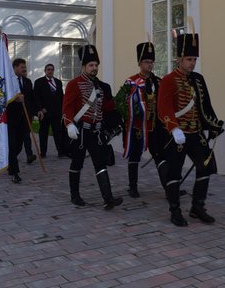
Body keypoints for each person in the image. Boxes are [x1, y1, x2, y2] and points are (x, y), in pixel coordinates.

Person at [158, 33, 224, 227]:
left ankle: (197, 207)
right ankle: (175, 210)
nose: (192, 63)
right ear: (179, 59)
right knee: (174, 173)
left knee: (207, 166)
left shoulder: (198, 79)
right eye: (188, 59)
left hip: (195, 133)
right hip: (177, 135)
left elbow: (205, 106)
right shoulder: (169, 80)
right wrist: (173, 128)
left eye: (194, 59)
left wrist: (213, 126)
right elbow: (164, 107)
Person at [62, 44, 123, 209]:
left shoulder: (100, 86)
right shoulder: (74, 84)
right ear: (83, 66)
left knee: (100, 163)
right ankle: (75, 196)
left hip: (95, 131)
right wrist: (69, 125)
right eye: (91, 65)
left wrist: (123, 103)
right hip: (81, 131)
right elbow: (67, 107)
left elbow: (106, 107)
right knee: (77, 163)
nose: (94, 68)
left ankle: (108, 198)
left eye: (96, 65)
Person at [116, 41, 168, 198]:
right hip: (138, 127)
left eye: (151, 62)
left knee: (161, 156)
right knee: (135, 155)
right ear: (140, 63)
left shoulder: (158, 82)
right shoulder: (131, 81)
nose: (150, 65)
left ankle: (169, 188)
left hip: (154, 127)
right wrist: (132, 112)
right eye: (146, 62)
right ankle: (133, 187)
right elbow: (120, 101)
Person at [6, 58, 40, 183]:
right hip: (11, 120)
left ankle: (10, 162)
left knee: (19, 146)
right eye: (21, 67)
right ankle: (15, 172)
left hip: (25, 119)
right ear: (15, 68)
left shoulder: (27, 82)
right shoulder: (8, 82)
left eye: (25, 67)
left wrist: (37, 111)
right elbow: (2, 98)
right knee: (12, 144)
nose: (24, 69)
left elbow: (31, 98)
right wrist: (14, 99)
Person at [33, 64, 65, 158]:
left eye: (52, 69)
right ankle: (43, 153)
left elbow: (61, 97)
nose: (50, 71)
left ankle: (60, 152)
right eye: (48, 69)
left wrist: (62, 109)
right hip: (44, 113)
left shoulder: (58, 82)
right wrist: (40, 109)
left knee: (58, 133)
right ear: (45, 71)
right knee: (43, 133)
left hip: (56, 113)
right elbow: (36, 97)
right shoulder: (39, 82)